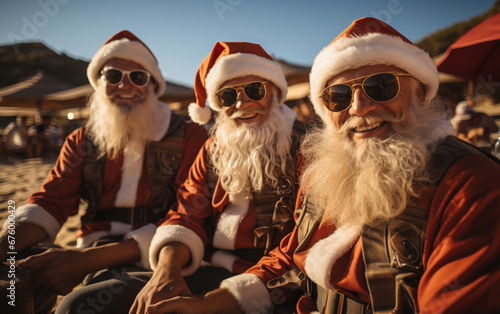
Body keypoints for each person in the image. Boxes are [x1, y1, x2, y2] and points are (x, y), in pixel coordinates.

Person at [147, 17, 500, 314]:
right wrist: (206, 303)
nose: (359, 106)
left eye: (380, 86)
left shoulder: (470, 186)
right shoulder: (327, 168)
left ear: (420, 93)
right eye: (339, 96)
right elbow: (293, 252)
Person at [0, 30, 208, 313]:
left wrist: (83, 261)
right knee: (12, 277)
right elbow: (51, 200)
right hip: (94, 243)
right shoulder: (82, 140)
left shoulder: (189, 135)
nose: (126, 86)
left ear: (153, 85)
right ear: (99, 83)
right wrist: (6, 243)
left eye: (138, 77)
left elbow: (191, 211)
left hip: (159, 252)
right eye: (113, 76)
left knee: (77, 307)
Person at [130, 41, 306, 313]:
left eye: (254, 90)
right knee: (82, 301)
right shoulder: (213, 148)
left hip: (280, 286)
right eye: (226, 96)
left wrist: (211, 303)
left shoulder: (307, 145)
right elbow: (187, 213)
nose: (241, 103)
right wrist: (167, 270)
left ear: (275, 92)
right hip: (210, 269)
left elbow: (307, 242)